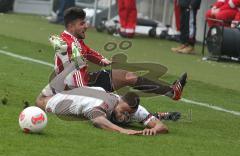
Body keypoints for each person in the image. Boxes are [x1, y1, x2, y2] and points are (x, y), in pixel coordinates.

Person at [49, 7, 187, 102]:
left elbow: (89, 52)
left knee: (127, 76)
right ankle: (155, 117)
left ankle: (172, 92)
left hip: (84, 81)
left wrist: (105, 62)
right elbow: (76, 73)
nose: (86, 26)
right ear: (71, 26)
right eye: (82, 23)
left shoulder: (73, 40)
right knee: (118, 103)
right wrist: (85, 94)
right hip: (73, 90)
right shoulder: (69, 44)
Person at [35, 64, 171, 136]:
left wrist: (154, 130)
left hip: (84, 93)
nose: (125, 117)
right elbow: (98, 121)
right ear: (120, 102)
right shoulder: (103, 104)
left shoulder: (134, 109)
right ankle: (69, 66)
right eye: (124, 112)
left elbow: (162, 127)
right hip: (63, 98)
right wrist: (123, 130)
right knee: (40, 101)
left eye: (128, 114)